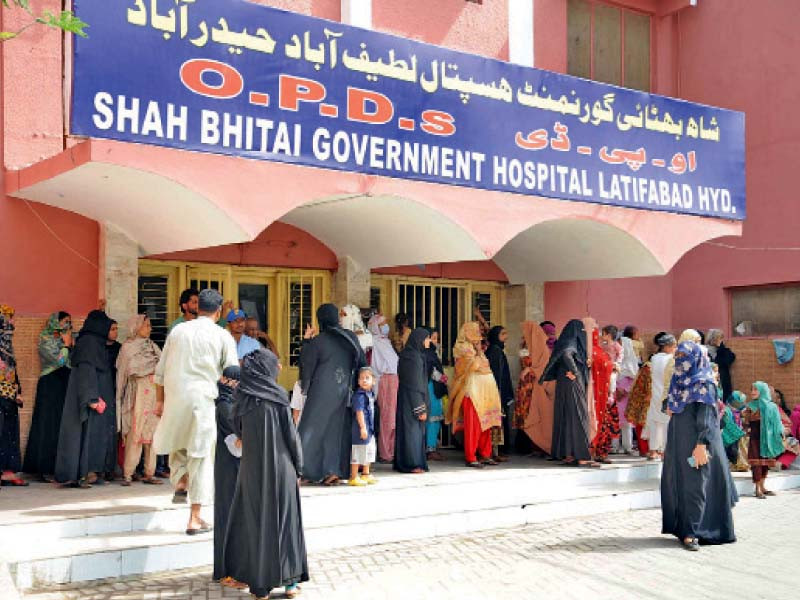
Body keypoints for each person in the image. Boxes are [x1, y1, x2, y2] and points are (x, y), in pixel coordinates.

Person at [223, 349, 308, 600]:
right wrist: (299, 467)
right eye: (275, 364)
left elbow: (237, 430)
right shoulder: (279, 395)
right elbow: (291, 436)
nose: (279, 367)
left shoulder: (240, 398)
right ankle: (290, 584)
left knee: (256, 522)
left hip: (252, 469)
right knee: (286, 522)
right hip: (282, 468)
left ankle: (260, 588)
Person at [153, 289, 238, 534]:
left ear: (197, 307)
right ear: (219, 311)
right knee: (200, 456)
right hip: (202, 400)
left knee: (178, 440)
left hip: (175, 397)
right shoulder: (222, 335)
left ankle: (180, 479)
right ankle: (195, 518)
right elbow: (232, 372)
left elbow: (160, 371)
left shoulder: (178, 331)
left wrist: (159, 402)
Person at [661, 340, 737, 550]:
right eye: (678, 358)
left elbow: (706, 415)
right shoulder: (679, 380)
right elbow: (670, 405)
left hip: (697, 442)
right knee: (681, 484)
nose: (681, 362)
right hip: (679, 443)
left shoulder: (703, 382)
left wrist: (701, 444)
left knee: (696, 484)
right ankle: (682, 527)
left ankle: (693, 532)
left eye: (685, 358)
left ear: (696, 358)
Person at [298, 303, 365, 485]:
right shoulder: (350, 337)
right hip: (344, 391)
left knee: (311, 429)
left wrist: (306, 342)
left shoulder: (319, 341)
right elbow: (362, 362)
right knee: (337, 431)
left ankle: (305, 471)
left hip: (321, 391)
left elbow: (307, 366)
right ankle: (333, 471)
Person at [54, 310, 117, 488]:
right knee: (85, 434)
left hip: (96, 396)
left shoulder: (94, 343)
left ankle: (90, 472)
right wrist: (92, 398)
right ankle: (82, 473)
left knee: (93, 435)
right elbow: (86, 370)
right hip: (89, 398)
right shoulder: (89, 343)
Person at [539, 319, 597, 467]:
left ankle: (568, 454)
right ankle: (581, 456)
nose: (584, 334)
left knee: (566, 417)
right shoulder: (569, 343)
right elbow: (567, 354)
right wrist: (576, 373)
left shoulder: (565, 341)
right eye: (582, 331)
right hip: (572, 384)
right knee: (578, 417)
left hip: (565, 383)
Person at [23, 312, 73, 482]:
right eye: (65, 321)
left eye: (69, 322)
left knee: (60, 425)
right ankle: (42, 469)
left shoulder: (66, 338)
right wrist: (66, 346)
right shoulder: (45, 338)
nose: (68, 325)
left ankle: (56, 467)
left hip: (64, 384)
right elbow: (58, 361)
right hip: (50, 384)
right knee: (47, 425)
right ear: (55, 322)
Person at [447, 322, 502, 468]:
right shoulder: (461, 348)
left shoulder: (476, 348)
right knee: (474, 426)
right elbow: (475, 366)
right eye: (475, 330)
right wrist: (479, 356)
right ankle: (471, 456)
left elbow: (486, 365)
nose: (478, 333)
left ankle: (485, 454)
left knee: (486, 424)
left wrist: (479, 352)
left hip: (484, 392)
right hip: (471, 392)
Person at [115, 315, 163, 486]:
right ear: (136, 327)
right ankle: (128, 473)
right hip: (137, 395)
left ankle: (150, 472)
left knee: (152, 433)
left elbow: (162, 368)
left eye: (150, 325)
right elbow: (124, 373)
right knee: (135, 433)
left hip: (154, 394)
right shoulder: (127, 349)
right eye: (147, 325)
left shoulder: (152, 347)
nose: (150, 329)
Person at [213, 365, 244, 589]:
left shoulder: (229, 402)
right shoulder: (225, 405)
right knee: (227, 516)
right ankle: (225, 571)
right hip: (228, 468)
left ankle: (232, 569)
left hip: (233, 466)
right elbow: (238, 431)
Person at [514, 321, 555, 456]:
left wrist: (530, 369)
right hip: (525, 386)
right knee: (523, 414)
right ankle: (525, 446)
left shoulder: (542, 349)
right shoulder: (526, 346)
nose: (523, 335)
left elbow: (543, 367)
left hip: (534, 387)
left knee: (532, 413)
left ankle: (536, 445)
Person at [394, 327, 432, 473]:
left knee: (412, 431)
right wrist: (420, 407)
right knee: (412, 432)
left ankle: (410, 462)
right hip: (412, 400)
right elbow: (414, 384)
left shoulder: (413, 355)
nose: (429, 341)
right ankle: (412, 464)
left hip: (408, 399)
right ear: (420, 340)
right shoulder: (413, 358)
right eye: (427, 338)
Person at [742, 381, 785, 498]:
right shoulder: (750, 406)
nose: (753, 392)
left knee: (765, 463)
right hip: (755, 439)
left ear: (763, 391)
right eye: (752, 390)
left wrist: (780, 433)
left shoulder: (772, 407)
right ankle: (757, 489)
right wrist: (746, 420)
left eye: (756, 390)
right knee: (756, 463)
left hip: (769, 439)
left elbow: (778, 423)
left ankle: (763, 486)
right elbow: (745, 424)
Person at [367, 314, 399, 463]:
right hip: (386, 380)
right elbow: (378, 366)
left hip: (393, 380)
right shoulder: (375, 342)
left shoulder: (385, 341)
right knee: (387, 418)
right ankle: (386, 452)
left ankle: (391, 450)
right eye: (383, 324)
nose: (386, 326)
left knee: (392, 418)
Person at [0, 305, 26, 486]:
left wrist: (18, 391)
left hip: (8, 396)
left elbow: (12, 370)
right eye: (8, 319)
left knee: (9, 433)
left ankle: (7, 472)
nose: (12, 323)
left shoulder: (7, 345)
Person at [642, 333, 676, 460]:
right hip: (666, 393)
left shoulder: (654, 358)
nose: (674, 349)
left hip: (655, 393)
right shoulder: (670, 359)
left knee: (655, 422)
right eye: (673, 346)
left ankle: (653, 450)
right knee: (667, 423)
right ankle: (665, 451)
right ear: (667, 347)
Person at [589, 326, 618, 464]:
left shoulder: (592, 351)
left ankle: (593, 452)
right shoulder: (598, 352)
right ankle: (598, 452)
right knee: (601, 422)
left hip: (596, 395)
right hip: (600, 395)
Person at [486, 325, 513, 459]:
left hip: (497, 392)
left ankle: (497, 451)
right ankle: (495, 452)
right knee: (497, 422)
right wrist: (500, 395)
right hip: (497, 393)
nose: (506, 337)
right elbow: (498, 376)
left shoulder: (495, 350)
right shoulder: (495, 352)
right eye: (503, 334)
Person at [349, 367, 378, 486]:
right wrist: (362, 427)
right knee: (358, 451)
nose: (364, 380)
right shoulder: (359, 395)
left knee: (369, 451)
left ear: (374, 381)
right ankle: (354, 476)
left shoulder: (370, 394)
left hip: (369, 430)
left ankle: (365, 474)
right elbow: (359, 412)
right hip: (361, 429)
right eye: (361, 378)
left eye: (367, 378)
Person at [423, 327, 448, 461]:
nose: (435, 341)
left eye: (436, 339)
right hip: (430, 388)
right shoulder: (427, 354)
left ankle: (431, 446)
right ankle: (430, 449)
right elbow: (430, 371)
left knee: (435, 418)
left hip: (434, 388)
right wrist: (442, 377)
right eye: (433, 338)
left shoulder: (432, 353)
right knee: (432, 418)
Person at [615, 326, 640, 455]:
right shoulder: (616, 361)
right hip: (615, 395)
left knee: (626, 422)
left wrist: (624, 390)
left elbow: (635, 381)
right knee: (615, 420)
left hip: (625, 396)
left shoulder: (632, 364)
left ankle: (627, 446)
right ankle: (614, 447)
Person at [706, 329, 735, 402]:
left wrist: (721, 348)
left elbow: (730, 358)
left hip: (723, 380)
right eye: (719, 338)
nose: (721, 340)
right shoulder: (704, 351)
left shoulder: (723, 351)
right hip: (710, 380)